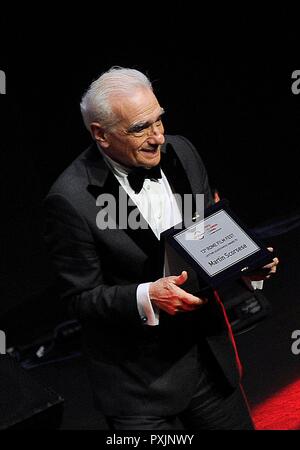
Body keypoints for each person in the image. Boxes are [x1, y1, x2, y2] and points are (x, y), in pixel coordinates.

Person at [43, 66, 279, 430]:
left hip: (208, 365)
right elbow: (80, 298)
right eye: (140, 128)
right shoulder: (69, 199)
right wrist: (147, 297)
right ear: (100, 135)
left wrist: (244, 264)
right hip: (139, 389)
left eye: (159, 120)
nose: (158, 137)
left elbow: (207, 227)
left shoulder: (181, 151)